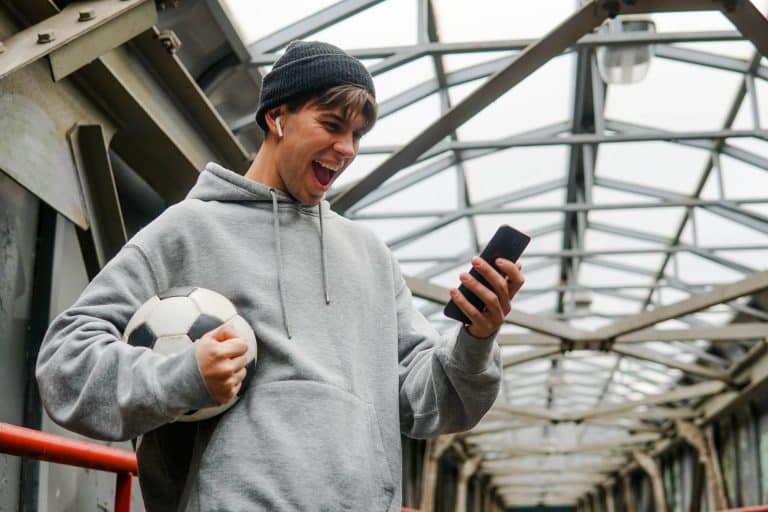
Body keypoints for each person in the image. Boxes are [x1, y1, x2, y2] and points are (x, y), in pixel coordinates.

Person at [36, 40, 525, 511]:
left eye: (357, 135)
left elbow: (429, 402)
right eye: (332, 124)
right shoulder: (188, 230)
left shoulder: (371, 257)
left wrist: (475, 339)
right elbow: (65, 363)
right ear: (277, 118)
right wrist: (183, 376)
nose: (348, 148)